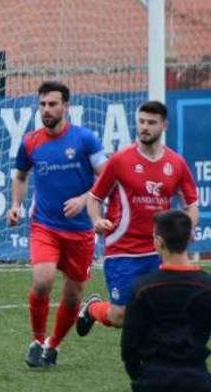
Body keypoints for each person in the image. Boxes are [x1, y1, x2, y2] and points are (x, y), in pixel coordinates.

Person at [100, 209, 211, 392]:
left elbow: (129, 346)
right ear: (192, 238)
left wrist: (140, 377)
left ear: (157, 242)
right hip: (195, 380)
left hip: (154, 379)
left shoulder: (144, 288)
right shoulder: (206, 286)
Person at [76, 100, 199, 336]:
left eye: (151, 123)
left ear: (164, 126)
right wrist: (96, 221)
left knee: (164, 308)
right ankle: (93, 308)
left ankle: (157, 359)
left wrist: (188, 226)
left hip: (161, 249)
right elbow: (94, 198)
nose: (144, 127)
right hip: (123, 249)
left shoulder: (176, 163)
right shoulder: (120, 161)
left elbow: (192, 205)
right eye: (141, 121)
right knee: (120, 316)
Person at [8, 80, 107, 368]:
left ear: (66, 106)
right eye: (42, 104)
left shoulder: (85, 139)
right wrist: (15, 205)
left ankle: (54, 345)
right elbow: (21, 176)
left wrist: (85, 198)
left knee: (74, 294)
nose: (47, 110)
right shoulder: (30, 142)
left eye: (52, 104)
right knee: (42, 280)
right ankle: (37, 341)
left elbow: (105, 176)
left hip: (81, 231)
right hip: (45, 226)